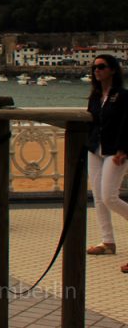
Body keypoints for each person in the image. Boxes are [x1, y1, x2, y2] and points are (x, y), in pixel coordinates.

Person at [84, 54, 128, 275]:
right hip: (95, 149)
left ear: (112, 70)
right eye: (94, 68)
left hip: (115, 151)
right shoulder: (94, 96)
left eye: (101, 67)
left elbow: (126, 123)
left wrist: (123, 149)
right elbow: (91, 122)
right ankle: (107, 241)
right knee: (98, 197)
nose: (97, 71)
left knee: (110, 196)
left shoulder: (122, 96)